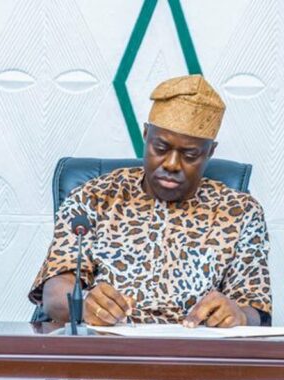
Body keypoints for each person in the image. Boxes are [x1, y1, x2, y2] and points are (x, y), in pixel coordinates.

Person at [28, 75, 271, 327]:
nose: (172, 164)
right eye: (161, 148)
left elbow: (255, 309)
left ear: (210, 152)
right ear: (146, 135)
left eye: (190, 155)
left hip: (192, 347)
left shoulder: (240, 211)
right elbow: (54, 295)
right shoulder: (94, 197)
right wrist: (83, 304)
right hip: (106, 344)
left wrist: (239, 315)